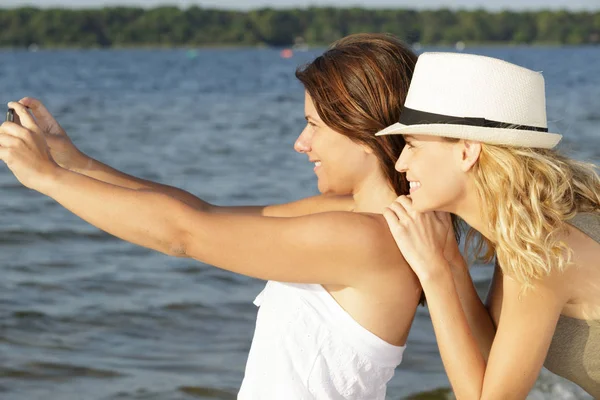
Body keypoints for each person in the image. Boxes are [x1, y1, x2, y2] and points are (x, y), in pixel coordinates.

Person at [0, 34, 457, 399]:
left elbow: (183, 235)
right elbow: (199, 213)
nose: (302, 143)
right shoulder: (356, 216)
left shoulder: (367, 238)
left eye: (314, 125)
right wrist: (73, 162)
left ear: (362, 132)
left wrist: (46, 179)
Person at [380, 52, 600, 398]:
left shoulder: (546, 250)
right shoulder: (532, 231)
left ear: (467, 152)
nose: (401, 163)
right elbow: (491, 357)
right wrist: (450, 260)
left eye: (412, 146)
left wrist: (434, 274)